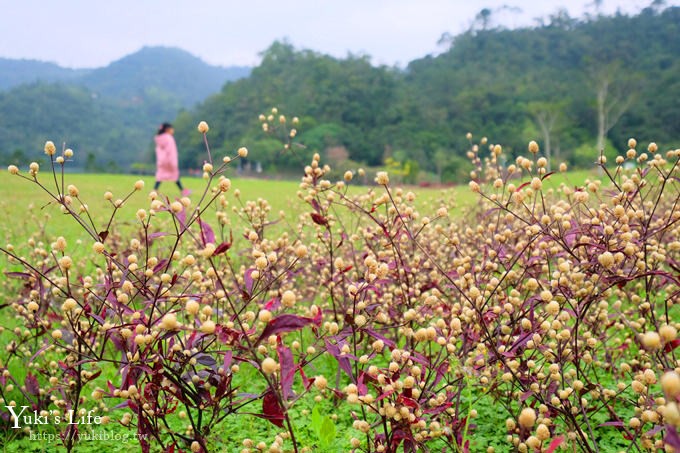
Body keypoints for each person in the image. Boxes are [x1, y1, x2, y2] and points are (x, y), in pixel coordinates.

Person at [154, 122, 191, 195]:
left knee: (160, 175)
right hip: (169, 161)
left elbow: (158, 150)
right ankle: (183, 190)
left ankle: (154, 190)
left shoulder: (159, 138)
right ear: (167, 129)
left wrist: (161, 160)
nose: (173, 130)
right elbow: (171, 151)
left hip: (162, 161)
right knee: (175, 175)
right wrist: (173, 161)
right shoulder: (169, 138)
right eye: (172, 129)